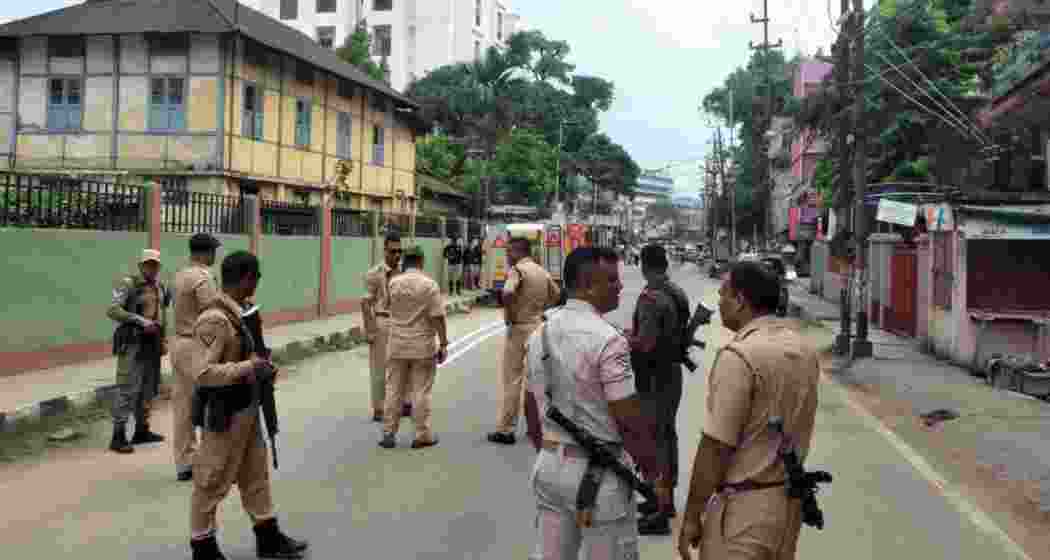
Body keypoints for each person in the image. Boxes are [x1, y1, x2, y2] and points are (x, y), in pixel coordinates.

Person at [522, 246, 672, 559]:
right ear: (589, 286)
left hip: (549, 467)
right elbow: (628, 419)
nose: (620, 286)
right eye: (613, 280)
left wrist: (550, 452)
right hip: (601, 477)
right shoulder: (609, 340)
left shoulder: (540, 333)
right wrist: (655, 474)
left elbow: (531, 405)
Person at [677, 261, 820, 560]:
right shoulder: (804, 350)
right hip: (786, 506)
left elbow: (716, 446)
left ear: (740, 300)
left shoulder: (739, 356)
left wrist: (691, 515)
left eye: (723, 294)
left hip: (743, 510)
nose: (719, 301)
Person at [182, 251, 308, 560]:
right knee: (211, 480)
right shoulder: (215, 319)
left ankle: (268, 537)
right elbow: (202, 373)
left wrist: (262, 368)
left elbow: (246, 355)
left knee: (255, 476)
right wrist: (248, 367)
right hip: (225, 413)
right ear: (248, 278)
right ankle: (203, 546)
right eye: (257, 277)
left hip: (247, 409)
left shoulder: (240, 312)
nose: (257, 283)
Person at [626, 244, 690, 536]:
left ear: (644, 266)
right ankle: (664, 501)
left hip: (653, 376)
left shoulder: (651, 298)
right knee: (666, 436)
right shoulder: (677, 292)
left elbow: (646, 343)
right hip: (671, 373)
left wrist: (623, 338)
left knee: (655, 441)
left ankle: (660, 511)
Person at [488, 237, 561, 445]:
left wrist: (510, 313)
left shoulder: (517, 270)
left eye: (509, 252)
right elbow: (556, 296)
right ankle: (539, 426)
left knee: (513, 380)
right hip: (538, 327)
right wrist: (540, 310)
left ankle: (506, 430)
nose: (507, 257)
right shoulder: (541, 271)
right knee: (539, 379)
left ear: (518, 252)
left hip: (519, 328)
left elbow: (508, 292)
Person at [378, 245, 448, 449]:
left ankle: (388, 433)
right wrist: (443, 343)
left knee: (393, 389)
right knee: (421, 391)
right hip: (422, 347)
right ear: (421, 261)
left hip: (397, 345)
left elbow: (386, 306)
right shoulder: (429, 285)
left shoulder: (393, 283)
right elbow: (438, 317)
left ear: (404, 262)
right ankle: (421, 434)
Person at [106, 249, 170, 454]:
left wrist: (163, 339)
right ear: (141, 266)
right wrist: (140, 321)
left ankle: (142, 430)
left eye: (155, 265)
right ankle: (118, 436)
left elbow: (161, 314)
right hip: (132, 343)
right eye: (148, 264)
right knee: (127, 387)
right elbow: (113, 310)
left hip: (152, 344)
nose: (151, 268)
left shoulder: (160, 287)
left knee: (147, 388)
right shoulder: (128, 284)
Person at [171, 233, 222, 481]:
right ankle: (208, 460)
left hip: (179, 343)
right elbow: (212, 313)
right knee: (210, 402)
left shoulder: (180, 275)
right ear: (205, 253)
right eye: (213, 251)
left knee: (183, 406)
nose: (215, 256)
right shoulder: (203, 277)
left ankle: (184, 463)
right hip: (197, 345)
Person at [362, 233, 411, 422]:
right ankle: (379, 407)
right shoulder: (374, 274)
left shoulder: (406, 273)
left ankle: (403, 402)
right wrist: (370, 330)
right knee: (379, 367)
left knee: (403, 364)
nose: (397, 255)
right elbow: (365, 303)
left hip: (402, 322)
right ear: (385, 250)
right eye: (393, 251)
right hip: (382, 321)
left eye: (400, 251)